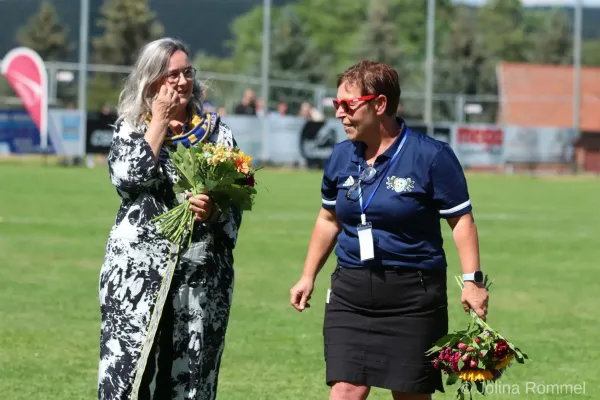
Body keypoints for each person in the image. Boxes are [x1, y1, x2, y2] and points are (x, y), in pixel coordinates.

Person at [289, 60, 488, 400]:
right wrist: (308, 275)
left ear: (379, 104)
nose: (339, 113)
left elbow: (461, 221)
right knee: (345, 389)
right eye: (336, 104)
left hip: (413, 296)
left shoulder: (432, 156)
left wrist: (473, 280)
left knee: (409, 394)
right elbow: (328, 219)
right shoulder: (340, 157)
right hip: (350, 292)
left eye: (347, 104)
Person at [98, 38, 242, 400]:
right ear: (150, 80)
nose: (181, 82)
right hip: (137, 278)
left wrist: (213, 211)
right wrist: (159, 122)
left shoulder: (216, 134)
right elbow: (128, 178)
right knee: (127, 377)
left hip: (198, 280)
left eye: (187, 73)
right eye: (171, 74)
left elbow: (237, 200)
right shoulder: (131, 127)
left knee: (189, 381)